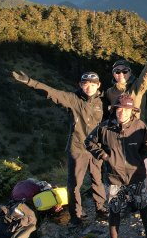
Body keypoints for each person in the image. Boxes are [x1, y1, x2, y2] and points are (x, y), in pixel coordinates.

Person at [11, 69, 105, 227]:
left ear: (98, 85)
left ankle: (101, 210)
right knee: (75, 184)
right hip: (78, 148)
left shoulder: (103, 101)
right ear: (80, 85)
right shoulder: (73, 99)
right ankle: (77, 216)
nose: (89, 87)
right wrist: (30, 82)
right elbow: (51, 92)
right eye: (85, 83)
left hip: (96, 148)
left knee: (98, 180)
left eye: (92, 84)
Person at [85, 95, 147, 238]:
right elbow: (89, 142)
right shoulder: (104, 127)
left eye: (126, 109)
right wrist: (102, 155)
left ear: (132, 111)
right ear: (114, 109)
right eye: (119, 109)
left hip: (136, 175)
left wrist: (139, 158)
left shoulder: (139, 126)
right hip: (114, 178)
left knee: (143, 206)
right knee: (114, 210)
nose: (122, 113)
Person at [105, 46, 147, 218]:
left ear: (130, 72)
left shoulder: (136, 88)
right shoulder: (110, 92)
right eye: (117, 71)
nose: (121, 74)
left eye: (125, 71)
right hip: (118, 139)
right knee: (123, 173)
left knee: (146, 172)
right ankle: (133, 203)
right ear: (113, 74)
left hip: (137, 136)